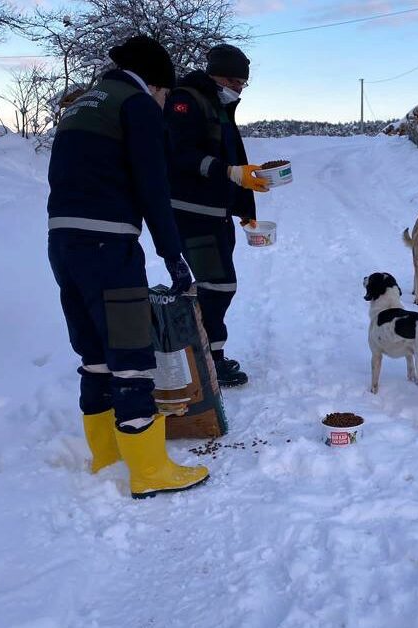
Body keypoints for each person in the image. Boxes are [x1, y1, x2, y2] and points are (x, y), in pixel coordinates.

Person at [47, 35, 208, 499]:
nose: (164, 103)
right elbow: (152, 186)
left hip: (62, 242)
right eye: (166, 95)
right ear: (156, 85)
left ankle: (106, 456)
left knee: (94, 355)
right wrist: (173, 254)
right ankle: (149, 470)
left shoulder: (81, 106)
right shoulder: (135, 104)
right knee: (132, 356)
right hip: (109, 246)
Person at [164, 44, 268, 388]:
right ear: (215, 74)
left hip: (217, 213)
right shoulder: (186, 100)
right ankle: (207, 360)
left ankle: (209, 355)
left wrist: (245, 209)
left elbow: (233, 156)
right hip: (192, 213)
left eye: (243, 83)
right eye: (233, 80)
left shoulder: (220, 106)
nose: (238, 87)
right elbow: (181, 155)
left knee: (216, 285)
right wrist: (230, 174)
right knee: (220, 285)